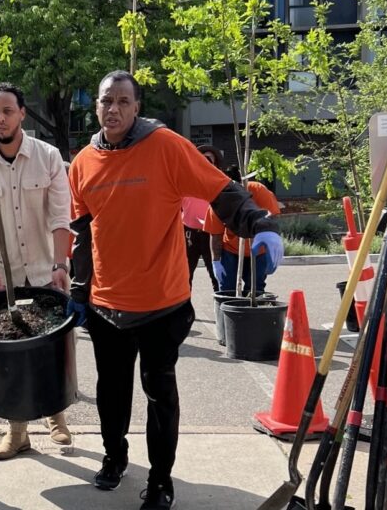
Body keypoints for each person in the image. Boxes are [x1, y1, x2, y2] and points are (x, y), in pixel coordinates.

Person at [65, 70, 283, 510]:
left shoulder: (166, 147)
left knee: (159, 393)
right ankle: (115, 457)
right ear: (96, 107)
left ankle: (161, 482)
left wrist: (259, 223)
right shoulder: (82, 163)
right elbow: (83, 232)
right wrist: (78, 290)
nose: (114, 109)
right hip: (107, 305)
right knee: (111, 391)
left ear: (137, 107)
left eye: (124, 101)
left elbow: (221, 190)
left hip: (161, 304)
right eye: (106, 101)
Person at [0, 81, 73, 460]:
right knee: (9, 354)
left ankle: (56, 416)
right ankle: (17, 432)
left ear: (22, 113)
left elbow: (62, 216)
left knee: (51, 347)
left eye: (8, 110)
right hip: (5, 281)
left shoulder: (48, 157)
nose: (0, 118)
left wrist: (60, 264)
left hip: (46, 271)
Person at [204, 165, 281, 295]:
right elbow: (216, 234)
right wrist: (216, 261)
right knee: (227, 291)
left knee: (255, 291)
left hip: (258, 251)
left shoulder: (258, 191)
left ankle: (253, 313)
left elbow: (271, 219)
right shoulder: (219, 200)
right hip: (230, 251)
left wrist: (271, 249)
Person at [181, 145, 223, 293]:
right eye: (202, 159)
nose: (205, 162)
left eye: (209, 160)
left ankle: (220, 307)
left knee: (216, 274)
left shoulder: (220, 182)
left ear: (215, 164)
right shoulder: (185, 181)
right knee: (185, 275)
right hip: (188, 233)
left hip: (211, 234)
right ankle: (183, 311)